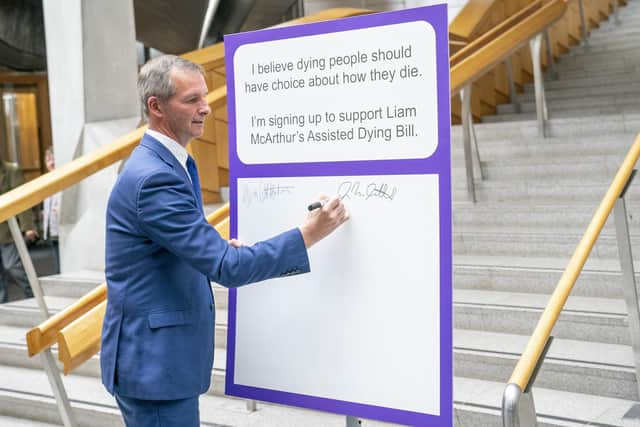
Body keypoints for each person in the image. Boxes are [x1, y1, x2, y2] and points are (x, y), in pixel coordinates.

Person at [100, 55, 349, 427]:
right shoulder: (155, 178)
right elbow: (230, 270)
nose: (205, 108)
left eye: (205, 96)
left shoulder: (170, 164)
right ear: (156, 107)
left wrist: (209, 251)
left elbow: (169, 248)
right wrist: (308, 234)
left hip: (159, 362)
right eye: (191, 100)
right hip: (154, 368)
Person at [0, 158, 37, 303]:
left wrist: (27, 226)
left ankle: (33, 296)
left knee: (12, 267)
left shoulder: (11, 170)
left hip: (8, 231)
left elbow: (22, 199)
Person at [41, 147, 60, 272]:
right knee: (57, 265)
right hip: (52, 230)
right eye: (48, 160)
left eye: (53, 159)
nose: (51, 163)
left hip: (61, 228)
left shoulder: (62, 178)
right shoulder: (46, 181)